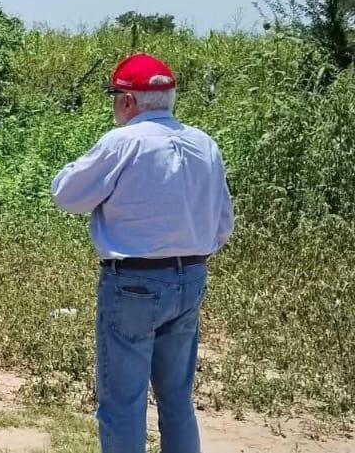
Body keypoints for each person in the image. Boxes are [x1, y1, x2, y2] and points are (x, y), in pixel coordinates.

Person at [50, 53, 234, 453]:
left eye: (116, 95)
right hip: (191, 278)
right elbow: (223, 225)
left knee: (123, 403)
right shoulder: (204, 144)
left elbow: (67, 196)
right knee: (177, 400)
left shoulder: (123, 141)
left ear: (128, 101)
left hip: (133, 282)